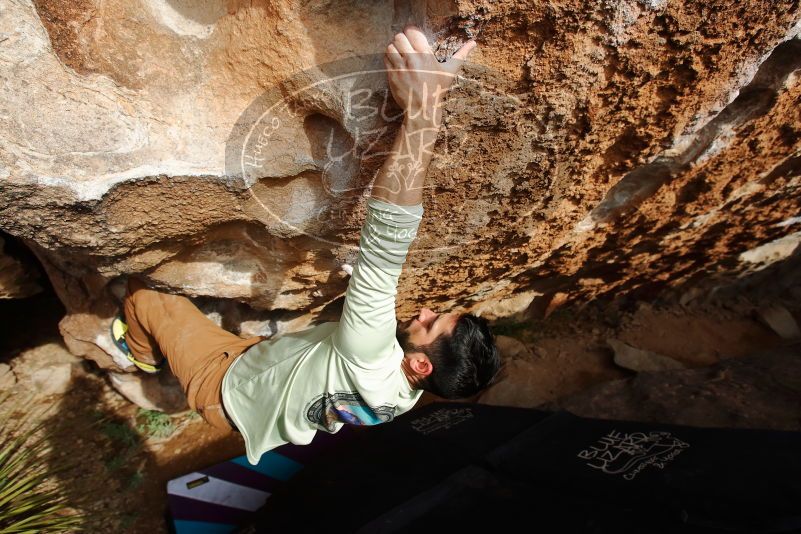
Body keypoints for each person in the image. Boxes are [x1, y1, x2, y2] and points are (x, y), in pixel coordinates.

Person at [110, 26, 500, 465]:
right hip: (259, 380)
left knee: (146, 294)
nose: (426, 310)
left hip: (221, 384)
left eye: (431, 324)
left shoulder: (369, 351)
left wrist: (425, 109)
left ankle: (138, 355)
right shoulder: (405, 397)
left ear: (421, 365)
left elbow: (386, 242)